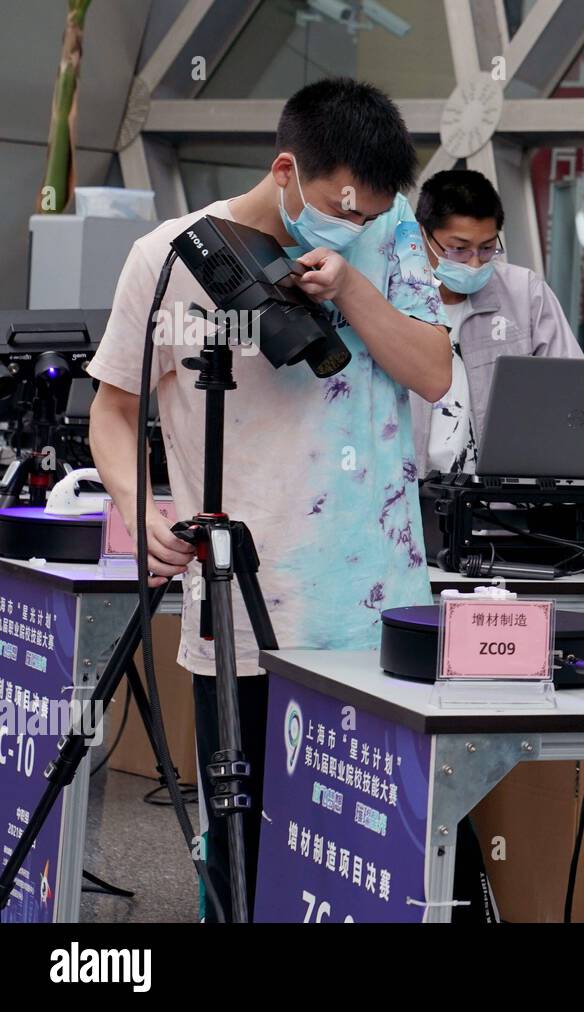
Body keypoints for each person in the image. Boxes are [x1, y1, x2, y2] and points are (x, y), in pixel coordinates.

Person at [87, 78, 451, 917]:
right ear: (285, 169)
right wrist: (139, 508)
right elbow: (112, 410)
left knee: (379, 864)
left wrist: (353, 287)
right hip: (243, 613)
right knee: (245, 861)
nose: (352, 226)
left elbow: (432, 372)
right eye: (338, 208)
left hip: (380, 615)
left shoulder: (391, 234)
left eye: (367, 215)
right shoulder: (168, 257)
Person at [410, 169, 582, 475]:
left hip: (499, 493)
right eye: (459, 249)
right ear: (423, 234)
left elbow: (575, 386)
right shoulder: (391, 296)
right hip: (409, 493)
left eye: (487, 248)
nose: (475, 263)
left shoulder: (523, 292)